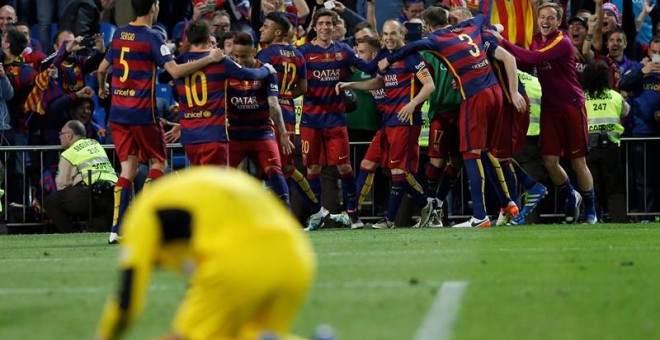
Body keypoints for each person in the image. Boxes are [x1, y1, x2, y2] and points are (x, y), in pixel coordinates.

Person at [95, 167, 315, 340]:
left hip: (236, 264)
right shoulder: (186, 191)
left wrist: (105, 335)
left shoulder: (140, 219)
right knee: (245, 334)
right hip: (297, 257)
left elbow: (127, 300)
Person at [379, 6, 526, 228]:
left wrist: (387, 61)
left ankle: (480, 215)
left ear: (427, 27)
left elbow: (409, 48)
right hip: (495, 92)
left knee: (470, 154)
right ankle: (508, 203)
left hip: (475, 95)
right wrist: (495, 28)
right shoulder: (473, 26)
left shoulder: (436, 39)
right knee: (487, 152)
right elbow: (482, 18)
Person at [97, 0, 224, 244]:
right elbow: (175, 71)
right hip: (143, 113)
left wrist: (103, 89)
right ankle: (146, 223)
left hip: (118, 114)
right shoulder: (153, 37)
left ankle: (116, 229)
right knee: (158, 163)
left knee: (127, 169)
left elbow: (103, 68)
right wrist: (210, 59)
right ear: (154, 6)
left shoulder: (119, 33)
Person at [493, 2, 597, 224]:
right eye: (542, 17)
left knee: (578, 162)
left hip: (571, 106)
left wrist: (501, 42)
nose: (545, 21)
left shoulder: (562, 41)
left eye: (550, 18)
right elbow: (527, 64)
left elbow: (533, 59)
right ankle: (571, 194)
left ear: (559, 21)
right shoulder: (537, 40)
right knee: (549, 162)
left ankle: (591, 210)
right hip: (550, 107)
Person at [337, 20, 435, 229]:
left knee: (398, 171)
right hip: (387, 122)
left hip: (405, 121)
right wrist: (351, 84)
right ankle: (352, 213)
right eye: (385, 34)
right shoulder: (385, 57)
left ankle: (389, 219)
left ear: (402, 35)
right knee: (367, 164)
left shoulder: (412, 58)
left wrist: (412, 104)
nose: (388, 38)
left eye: (393, 34)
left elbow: (429, 85)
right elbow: (377, 82)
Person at [297, 8, 369, 230]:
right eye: (322, 23)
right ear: (315, 27)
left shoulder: (344, 52)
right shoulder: (303, 52)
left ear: (335, 26)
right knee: (313, 169)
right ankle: (317, 214)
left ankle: (353, 214)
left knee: (345, 167)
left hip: (336, 121)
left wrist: (384, 60)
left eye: (330, 23)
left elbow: (366, 67)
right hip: (311, 121)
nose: (326, 27)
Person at [167, 20, 275, 166]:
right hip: (213, 135)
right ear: (207, 39)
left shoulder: (178, 63)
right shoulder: (220, 62)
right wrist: (267, 69)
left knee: (200, 183)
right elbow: (249, 74)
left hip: (190, 136)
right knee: (216, 186)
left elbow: (163, 77)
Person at [257, 13, 321, 212]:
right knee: (286, 168)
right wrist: (283, 96)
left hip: (270, 115)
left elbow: (256, 85)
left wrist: (273, 98)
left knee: (273, 168)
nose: (261, 29)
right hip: (289, 114)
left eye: (265, 26)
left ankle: (277, 213)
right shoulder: (298, 55)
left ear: (277, 32)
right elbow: (303, 88)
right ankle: (317, 210)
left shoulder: (266, 55)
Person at [226, 32, 294, 205]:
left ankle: (284, 220)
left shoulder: (268, 71)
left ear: (254, 51)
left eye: (243, 56)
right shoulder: (228, 72)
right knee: (222, 176)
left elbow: (273, 103)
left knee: (275, 172)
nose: (239, 61)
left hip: (261, 133)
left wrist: (284, 132)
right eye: (236, 56)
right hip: (235, 134)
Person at [43, 120, 117, 233]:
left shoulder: (69, 153)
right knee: (98, 222)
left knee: (51, 202)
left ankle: (69, 234)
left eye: (61, 134)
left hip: (90, 192)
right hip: (114, 191)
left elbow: (62, 184)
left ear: (69, 135)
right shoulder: (96, 144)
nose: (59, 137)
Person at [582, 60, 629, 223]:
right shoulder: (615, 96)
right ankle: (619, 219)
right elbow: (625, 111)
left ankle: (591, 218)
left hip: (588, 149)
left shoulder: (582, 97)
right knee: (614, 188)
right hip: (611, 149)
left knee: (591, 187)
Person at [619, 34, 660, 215]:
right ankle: (646, 215)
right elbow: (623, 83)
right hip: (642, 133)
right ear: (649, 52)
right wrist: (644, 70)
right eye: (654, 52)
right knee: (643, 179)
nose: (657, 56)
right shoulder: (639, 68)